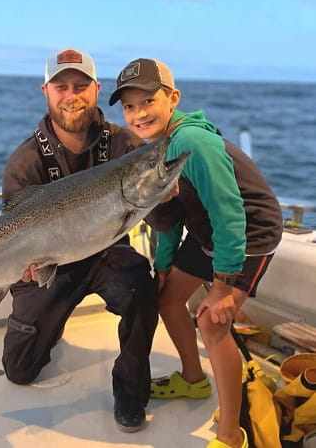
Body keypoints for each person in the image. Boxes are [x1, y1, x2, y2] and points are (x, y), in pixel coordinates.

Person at [109, 58, 283, 447]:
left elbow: (229, 214)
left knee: (211, 322)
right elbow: (172, 217)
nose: (138, 114)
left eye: (148, 101)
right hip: (208, 231)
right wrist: (164, 265)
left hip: (248, 233)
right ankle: (193, 380)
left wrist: (222, 288)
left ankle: (230, 434)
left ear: (173, 98)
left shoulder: (191, 142)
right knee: (168, 300)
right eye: (129, 106)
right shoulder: (160, 146)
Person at [1, 49, 166, 433]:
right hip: (48, 267)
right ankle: (49, 326)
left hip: (108, 253)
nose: (71, 95)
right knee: (19, 372)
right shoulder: (25, 162)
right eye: (61, 86)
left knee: (142, 287)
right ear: (46, 91)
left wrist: (167, 200)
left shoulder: (125, 145)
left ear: (96, 90)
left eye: (80, 86)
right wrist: (23, 266)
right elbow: (9, 230)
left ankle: (131, 391)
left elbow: (155, 210)